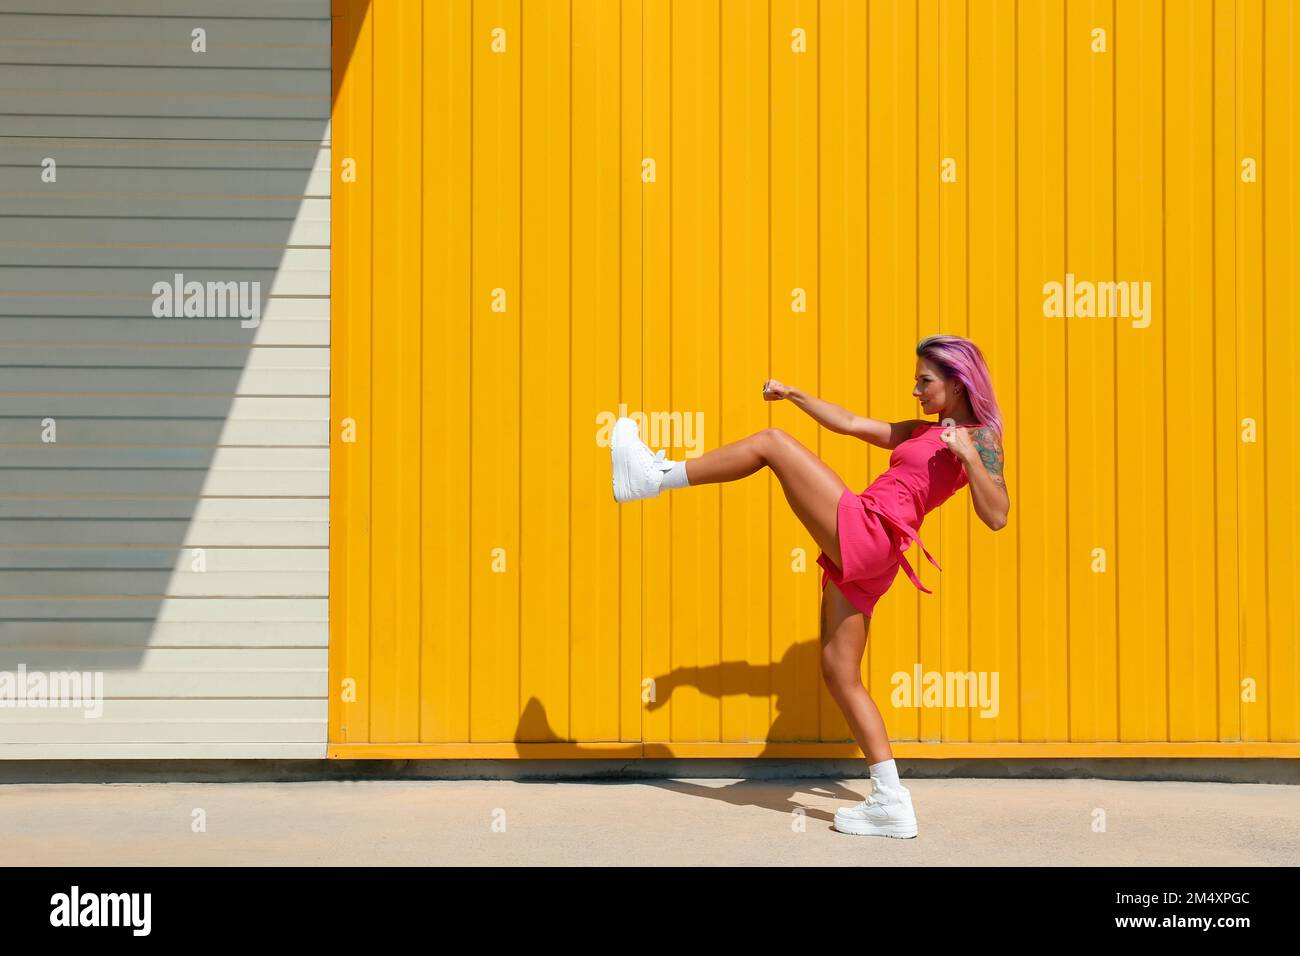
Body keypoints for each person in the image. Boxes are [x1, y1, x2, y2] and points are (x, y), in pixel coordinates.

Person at [610, 334, 1009, 838]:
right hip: (875, 554)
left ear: (957, 382)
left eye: (924, 381)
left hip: (871, 528)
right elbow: (852, 424)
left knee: (771, 444)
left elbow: (997, 516)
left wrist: (969, 457)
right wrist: (795, 395)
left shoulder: (982, 440)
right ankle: (891, 801)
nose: (915, 389)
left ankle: (654, 476)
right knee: (839, 672)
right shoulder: (921, 430)